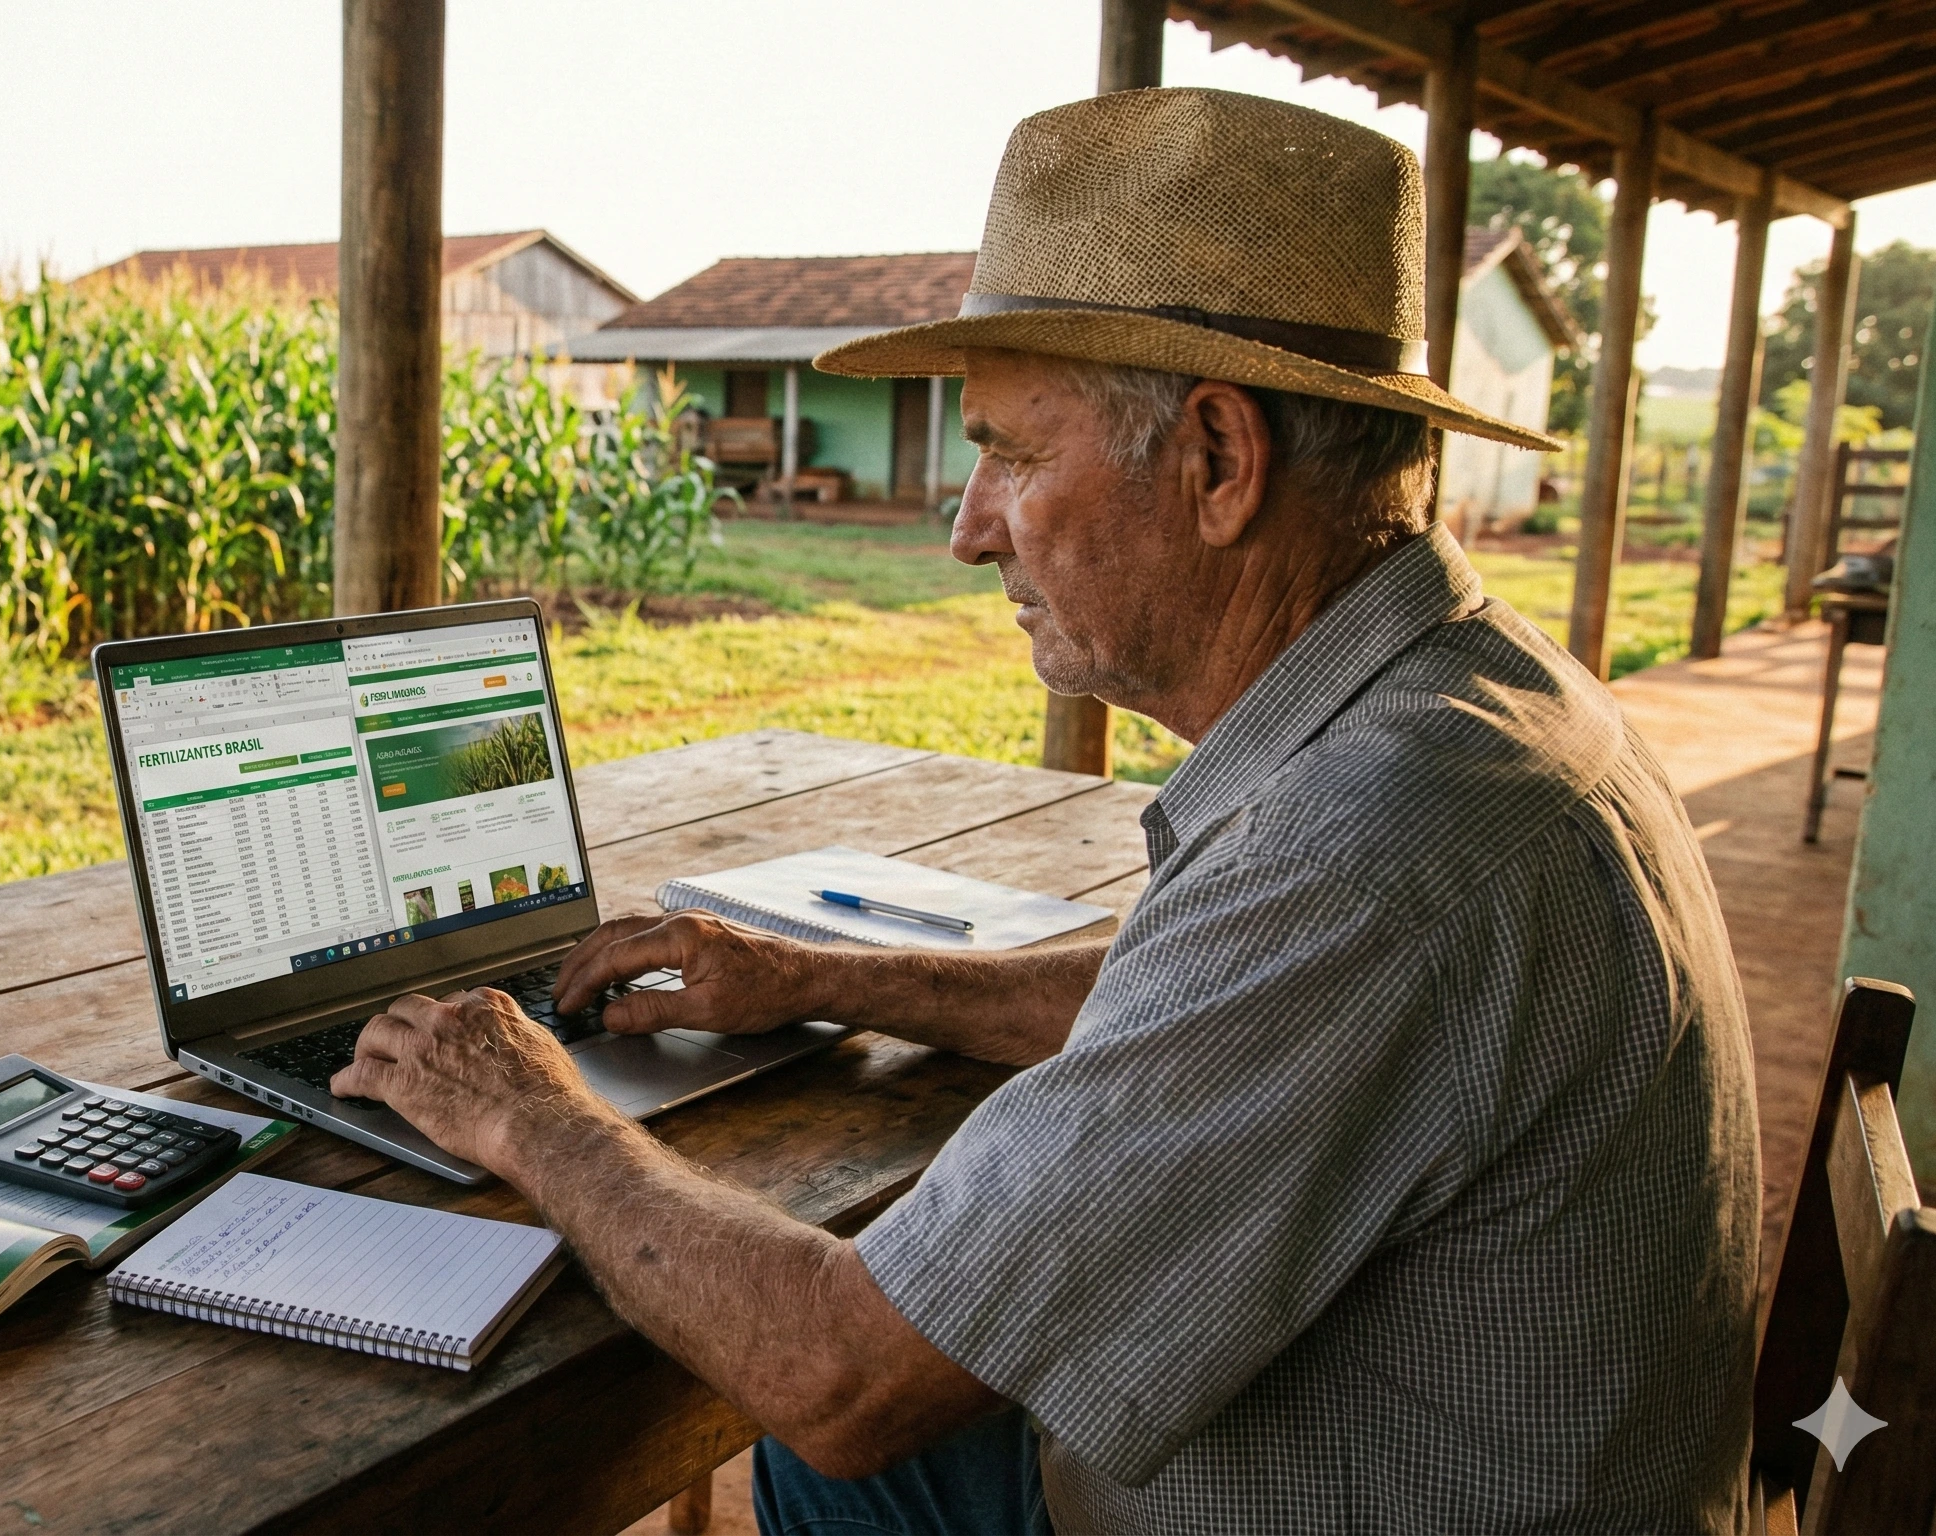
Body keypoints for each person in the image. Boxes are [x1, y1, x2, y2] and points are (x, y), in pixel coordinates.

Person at [330, 87, 1760, 1535]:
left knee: (831, 1444)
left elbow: (840, 1373)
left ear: (1218, 461)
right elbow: (1183, 1003)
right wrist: (827, 977)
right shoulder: (1476, 698)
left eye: (1013, 453)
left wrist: (528, 1109)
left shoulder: (1362, 853)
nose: (968, 528)